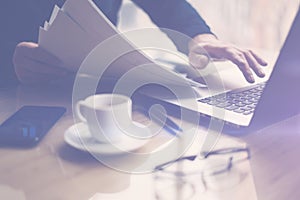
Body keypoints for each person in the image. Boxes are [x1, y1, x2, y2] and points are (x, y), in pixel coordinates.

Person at [3, 0, 267, 87]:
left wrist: (200, 37)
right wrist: (7, 58)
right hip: (15, 95)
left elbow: (167, 5)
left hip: (98, 90)